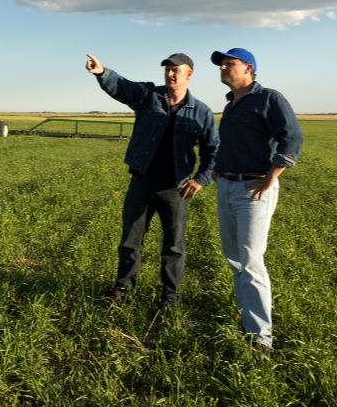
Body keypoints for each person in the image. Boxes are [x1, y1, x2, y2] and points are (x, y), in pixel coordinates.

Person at [86, 52, 219, 308]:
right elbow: (122, 87)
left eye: (176, 70)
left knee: (174, 246)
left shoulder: (202, 112)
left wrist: (200, 179)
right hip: (142, 182)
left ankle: (170, 296)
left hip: (176, 189)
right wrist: (102, 73)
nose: (170, 74)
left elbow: (213, 150)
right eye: (167, 69)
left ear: (189, 74)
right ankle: (122, 288)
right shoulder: (149, 96)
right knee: (130, 240)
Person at [210, 48, 303, 357]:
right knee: (234, 258)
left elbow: (292, 138)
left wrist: (271, 176)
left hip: (253, 189)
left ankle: (261, 336)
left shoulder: (269, 98)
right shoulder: (231, 104)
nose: (223, 68)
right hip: (227, 186)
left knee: (251, 260)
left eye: (229, 63)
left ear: (249, 68)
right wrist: (218, 169)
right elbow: (229, 143)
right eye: (221, 64)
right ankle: (246, 316)